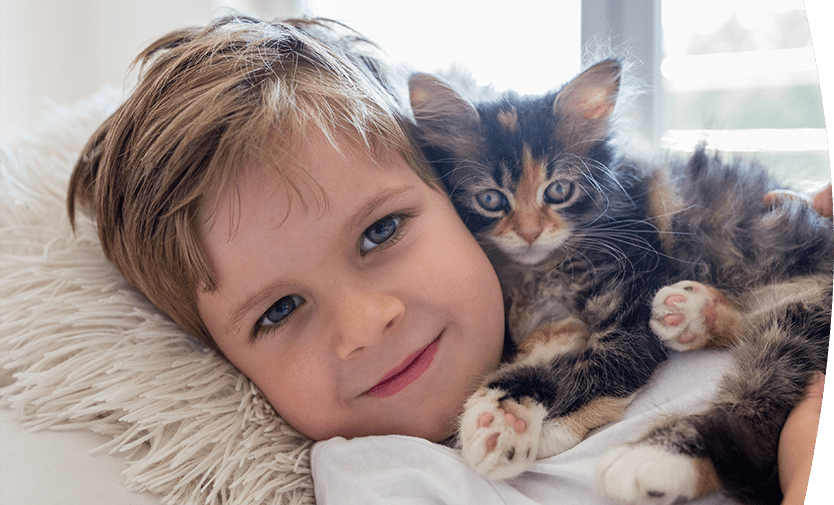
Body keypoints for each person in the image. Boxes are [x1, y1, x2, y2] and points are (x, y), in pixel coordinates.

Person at [66, 14, 827, 504]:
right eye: (279, 308)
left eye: (379, 232)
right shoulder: (385, 476)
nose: (366, 324)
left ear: (455, 195)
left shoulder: (620, 265)